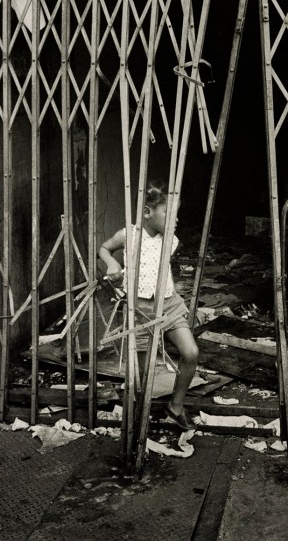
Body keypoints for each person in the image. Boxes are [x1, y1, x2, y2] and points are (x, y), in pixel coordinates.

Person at [98, 182, 198, 430]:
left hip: (169, 304)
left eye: (177, 215)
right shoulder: (128, 236)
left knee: (191, 353)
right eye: (168, 214)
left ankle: (175, 406)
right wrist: (112, 264)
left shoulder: (171, 240)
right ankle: (140, 414)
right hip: (139, 309)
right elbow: (103, 248)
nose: (175, 221)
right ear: (147, 213)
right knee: (144, 373)